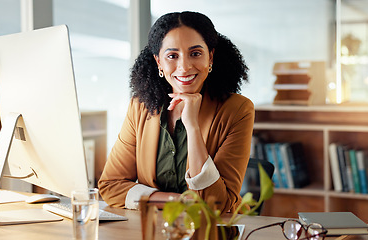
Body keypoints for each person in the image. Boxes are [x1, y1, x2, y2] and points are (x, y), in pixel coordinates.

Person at [98, 11, 254, 214]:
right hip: (154, 228)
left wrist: (193, 127)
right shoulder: (140, 107)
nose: (184, 66)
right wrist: (181, 202)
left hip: (214, 230)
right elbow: (111, 186)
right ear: (158, 62)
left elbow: (218, 204)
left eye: (195, 53)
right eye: (172, 56)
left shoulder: (237, 110)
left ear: (211, 57)